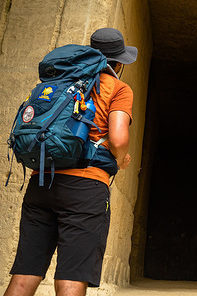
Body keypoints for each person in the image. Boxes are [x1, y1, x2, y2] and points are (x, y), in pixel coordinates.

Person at [4, 28, 137, 296]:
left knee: (24, 274)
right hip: (85, 190)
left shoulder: (60, 81)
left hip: (41, 184)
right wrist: (121, 160)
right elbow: (119, 139)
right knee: (72, 275)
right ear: (119, 63)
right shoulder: (118, 88)